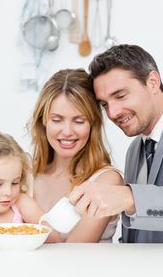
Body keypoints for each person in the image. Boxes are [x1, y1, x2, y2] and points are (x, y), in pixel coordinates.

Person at [69, 44, 163, 243]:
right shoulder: (134, 151)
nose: (112, 113)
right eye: (104, 104)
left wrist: (128, 197)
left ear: (153, 82)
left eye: (120, 96)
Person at [29, 68, 123, 243]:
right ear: (43, 121)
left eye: (79, 121)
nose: (67, 132)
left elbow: (72, 254)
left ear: (93, 124)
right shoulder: (28, 175)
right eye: (56, 120)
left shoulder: (106, 181)